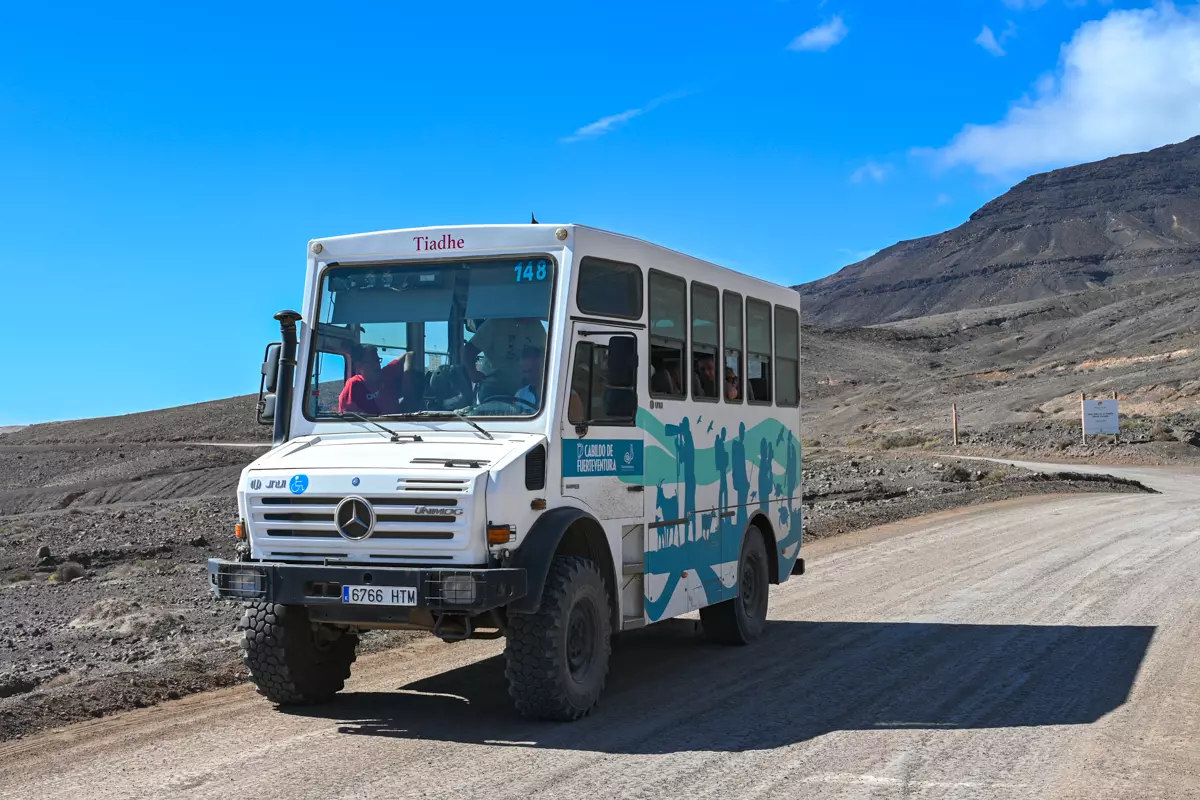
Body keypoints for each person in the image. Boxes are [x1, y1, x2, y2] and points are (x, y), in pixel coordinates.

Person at [463, 316, 547, 396]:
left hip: (525, 388)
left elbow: (547, 356)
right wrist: (472, 372)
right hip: (494, 388)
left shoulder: (537, 327)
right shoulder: (494, 323)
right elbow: (469, 350)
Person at [337, 344, 405, 415]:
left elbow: (409, 355)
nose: (377, 365)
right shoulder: (354, 385)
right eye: (372, 362)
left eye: (377, 360)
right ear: (359, 365)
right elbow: (349, 419)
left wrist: (407, 381)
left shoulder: (386, 374)